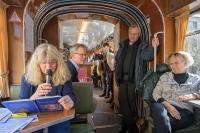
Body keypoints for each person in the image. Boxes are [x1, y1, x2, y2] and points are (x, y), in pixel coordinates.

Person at [20, 43, 75, 133]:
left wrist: (70, 101)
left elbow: (71, 96)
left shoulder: (64, 76)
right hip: (34, 119)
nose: (48, 66)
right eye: (44, 63)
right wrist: (36, 95)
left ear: (58, 62)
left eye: (52, 62)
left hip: (58, 118)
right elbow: (21, 106)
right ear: (37, 64)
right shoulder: (26, 78)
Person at [115, 24, 159, 133]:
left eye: (135, 34)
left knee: (131, 102)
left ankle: (128, 125)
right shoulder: (123, 44)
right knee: (122, 100)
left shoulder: (142, 45)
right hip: (121, 78)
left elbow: (147, 56)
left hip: (134, 79)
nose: (132, 36)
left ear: (139, 34)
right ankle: (130, 124)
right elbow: (117, 57)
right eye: (131, 33)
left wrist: (154, 47)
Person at [151, 51, 200, 133]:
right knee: (156, 106)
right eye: (171, 64)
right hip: (164, 108)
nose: (173, 66)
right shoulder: (165, 77)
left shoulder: (196, 79)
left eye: (176, 63)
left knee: (161, 124)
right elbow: (155, 93)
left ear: (185, 63)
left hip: (184, 112)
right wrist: (169, 106)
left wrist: (194, 96)